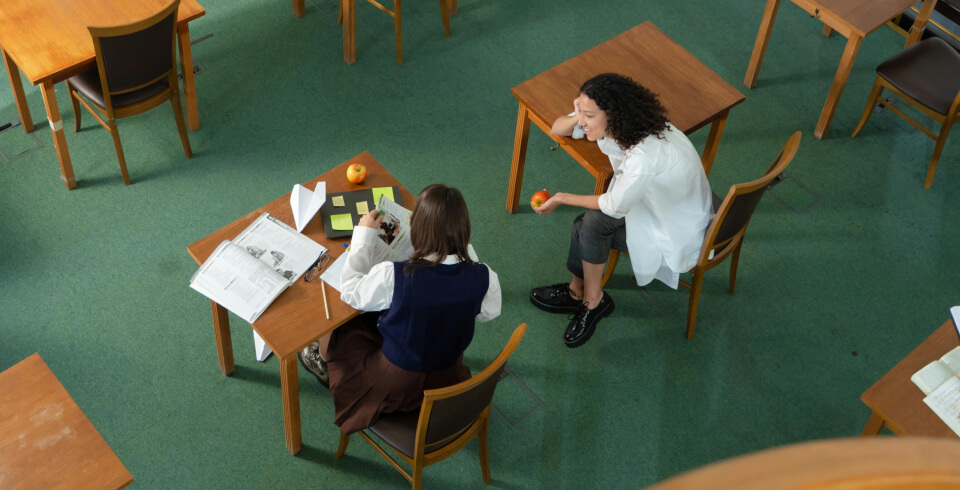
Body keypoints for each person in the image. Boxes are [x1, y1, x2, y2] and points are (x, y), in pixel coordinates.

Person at [298, 184, 502, 435]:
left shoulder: (395, 276)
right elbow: (487, 313)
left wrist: (362, 236)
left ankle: (322, 361)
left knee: (344, 328)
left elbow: (351, 292)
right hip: (446, 372)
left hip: (397, 383)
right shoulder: (485, 277)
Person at [530, 73, 713, 348]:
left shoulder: (645, 155)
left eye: (589, 116)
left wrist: (561, 197)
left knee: (588, 225)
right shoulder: (630, 123)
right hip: (657, 204)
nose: (582, 122)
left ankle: (592, 301)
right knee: (587, 224)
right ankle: (579, 292)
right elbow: (558, 128)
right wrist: (579, 113)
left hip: (673, 227)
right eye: (582, 112)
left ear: (612, 114)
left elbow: (614, 206)